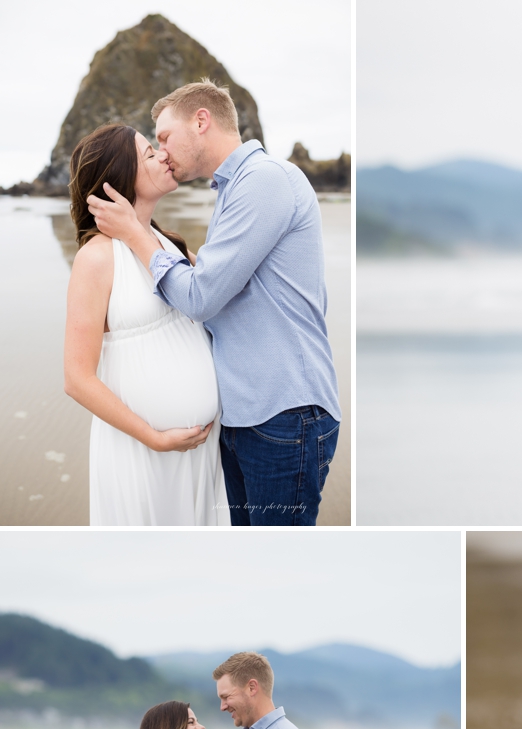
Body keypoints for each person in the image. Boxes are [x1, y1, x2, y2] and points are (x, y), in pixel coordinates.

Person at [86, 80, 341, 526]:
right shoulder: (230, 192)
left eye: (165, 137)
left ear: (201, 121)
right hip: (244, 419)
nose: (163, 152)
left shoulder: (265, 181)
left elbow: (200, 297)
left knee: (277, 557)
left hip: (283, 415)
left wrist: (136, 234)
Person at [63, 124, 230, 525]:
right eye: (149, 154)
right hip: (141, 453)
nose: (163, 155)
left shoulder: (169, 245)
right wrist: (154, 438)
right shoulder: (97, 258)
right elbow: (76, 379)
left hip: (203, 451)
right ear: (118, 178)